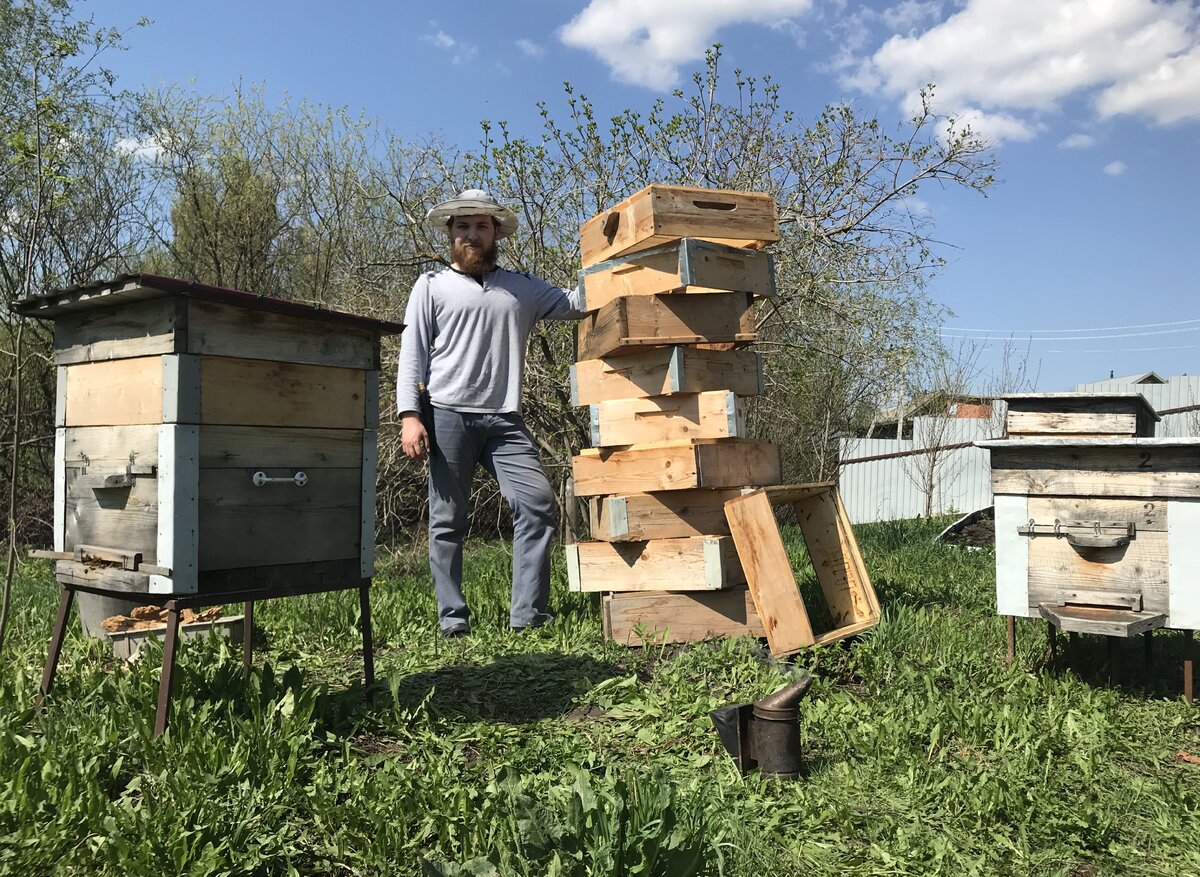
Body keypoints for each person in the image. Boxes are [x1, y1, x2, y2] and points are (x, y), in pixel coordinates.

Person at [396, 189, 584, 638]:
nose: (472, 235)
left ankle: (529, 616)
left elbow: (578, 302)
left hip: (505, 420)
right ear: (451, 233)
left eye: (481, 226)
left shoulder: (523, 288)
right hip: (446, 416)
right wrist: (409, 415)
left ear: (495, 232)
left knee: (537, 504)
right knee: (447, 521)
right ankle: (453, 621)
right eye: (463, 227)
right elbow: (412, 355)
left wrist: (616, 260)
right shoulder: (430, 286)